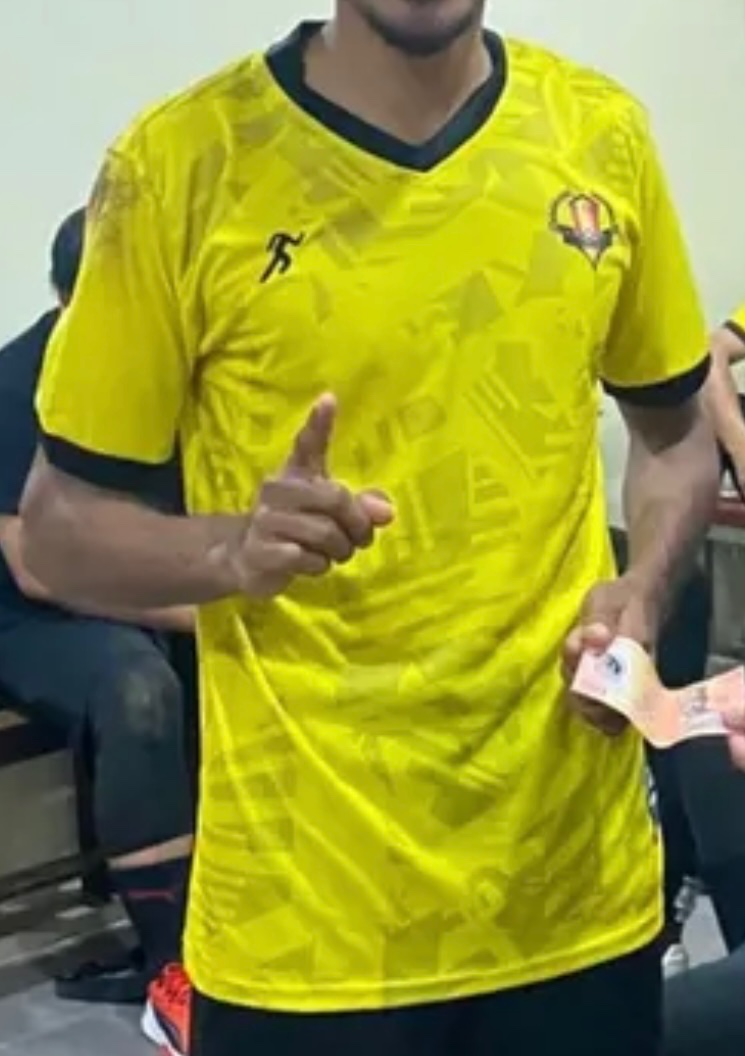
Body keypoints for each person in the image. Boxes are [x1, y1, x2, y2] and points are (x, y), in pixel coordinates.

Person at [18, 4, 720, 1055]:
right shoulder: (176, 166)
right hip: (306, 929)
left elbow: (674, 435)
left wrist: (642, 591)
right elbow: (54, 533)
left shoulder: (599, 133)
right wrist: (228, 550)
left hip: (573, 893)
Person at [0, 210, 195, 1046]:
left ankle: (255, 919)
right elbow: (39, 569)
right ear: (66, 299)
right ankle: (173, 969)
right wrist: (201, 613)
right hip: (31, 617)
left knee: (267, 654)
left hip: (148, 591)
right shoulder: (15, 387)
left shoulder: (179, 372)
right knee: (136, 687)